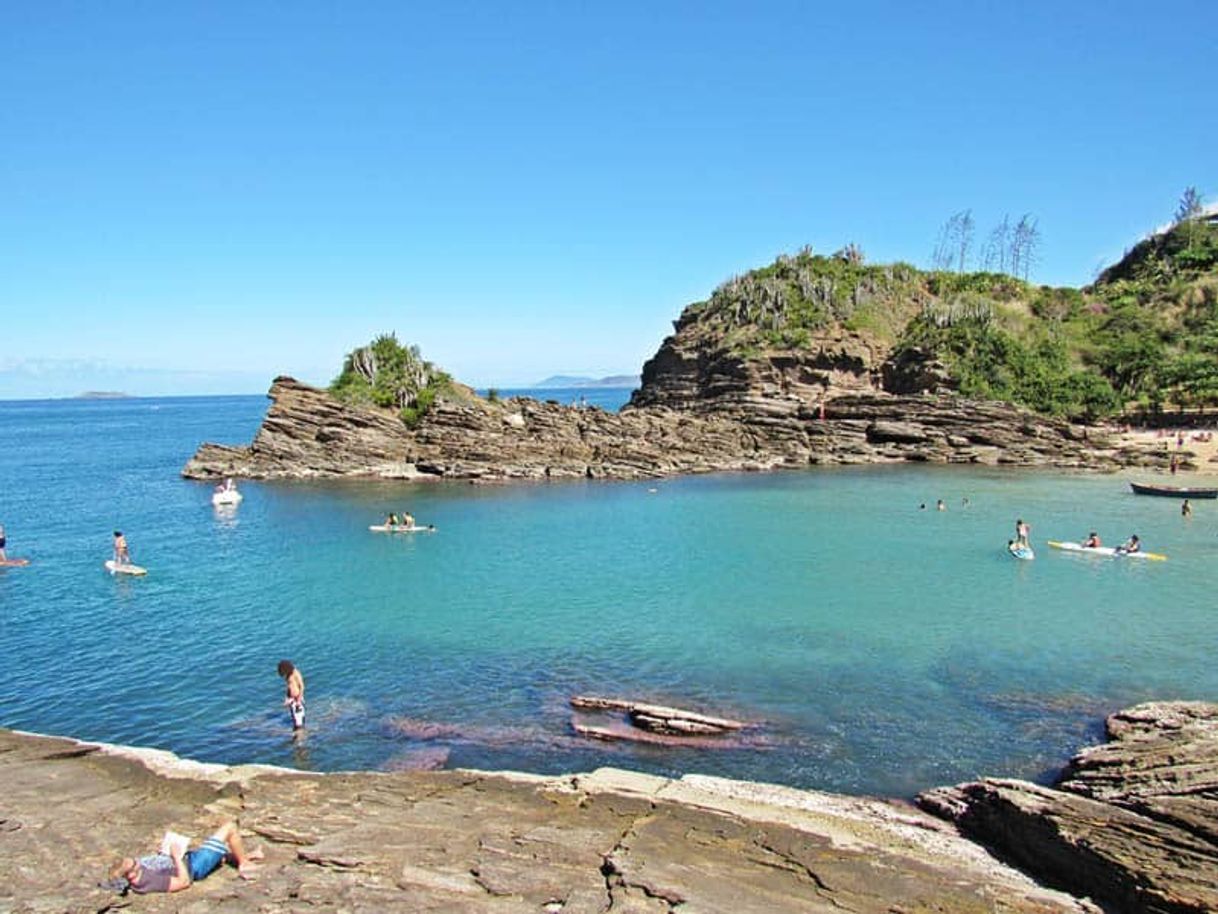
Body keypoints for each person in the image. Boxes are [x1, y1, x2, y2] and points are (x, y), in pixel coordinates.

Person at [107, 820, 261, 894]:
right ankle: (244, 863)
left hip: (189, 860)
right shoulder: (148, 881)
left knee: (219, 853)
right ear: (131, 873)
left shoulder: (139, 873)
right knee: (230, 827)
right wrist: (176, 857)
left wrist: (163, 854)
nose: (138, 862)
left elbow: (160, 867)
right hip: (195, 866)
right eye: (135, 863)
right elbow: (183, 882)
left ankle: (247, 855)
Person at [277, 659, 305, 730]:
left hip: (297, 698)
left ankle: (300, 735)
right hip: (292, 699)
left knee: (299, 720)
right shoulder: (288, 675)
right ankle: (297, 733)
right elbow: (289, 687)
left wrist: (299, 699)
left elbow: (302, 686)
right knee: (294, 718)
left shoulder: (296, 673)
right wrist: (287, 698)